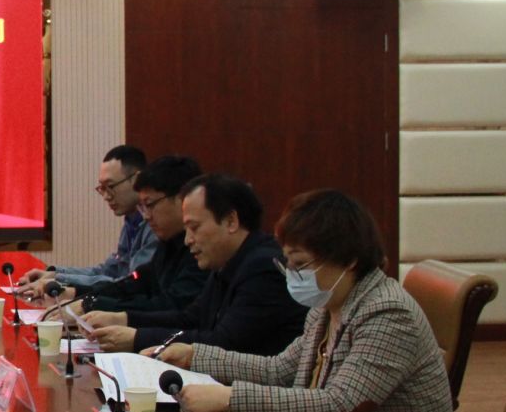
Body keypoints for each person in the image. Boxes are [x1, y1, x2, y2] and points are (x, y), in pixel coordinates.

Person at [159, 190, 482, 412]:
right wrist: (196, 356)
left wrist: (229, 399)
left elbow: (339, 405)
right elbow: (279, 369)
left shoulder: (387, 312)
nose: (293, 275)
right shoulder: (328, 306)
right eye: (288, 263)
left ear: (349, 259)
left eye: (301, 264)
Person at [80, 173, 305, 357]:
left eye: (194, 228)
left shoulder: (263, 268)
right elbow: (191, 318)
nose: (187, 240)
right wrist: (124, 319)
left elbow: (224, 344)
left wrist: (137, 338)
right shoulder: (227, 262)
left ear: (231, 221)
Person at [68, 155, 207, 319]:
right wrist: (78, 294)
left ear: (181, 199)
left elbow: (172, 305)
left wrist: (97, 305)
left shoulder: (201, 248)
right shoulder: (168, 242)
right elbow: (134, 283)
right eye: (142, 207)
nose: (146, 216)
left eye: (150, 205)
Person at [18, 145, 153, 297]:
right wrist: (54, 274)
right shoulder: (131, 221)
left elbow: (128, 285)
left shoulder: (155, 225)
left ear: (137, 180)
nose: (106, 196)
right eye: (102, 188)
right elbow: (107, 271)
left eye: (110, 186)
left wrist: (61, 282)